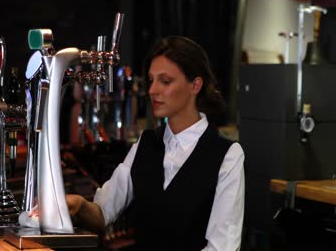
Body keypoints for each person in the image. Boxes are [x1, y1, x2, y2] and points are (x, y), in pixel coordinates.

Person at [66, 36, 245, 251]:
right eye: (151, 80)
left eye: (165, 81)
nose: (152, 90)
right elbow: (103, 212)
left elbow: (222, 246)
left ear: (195, 85)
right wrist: (78, 206)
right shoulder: (146, 143)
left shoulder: (228, 155)